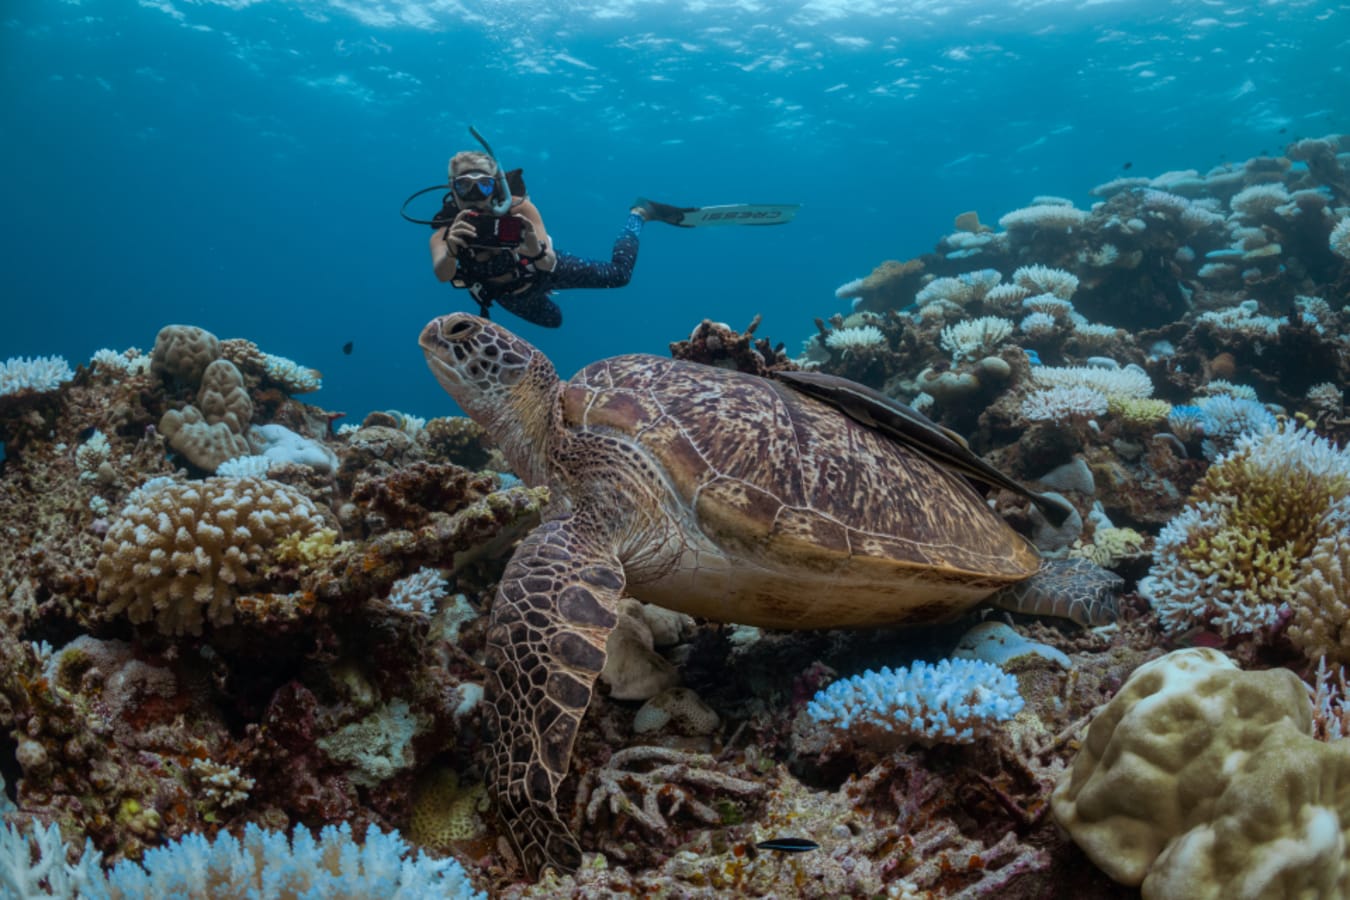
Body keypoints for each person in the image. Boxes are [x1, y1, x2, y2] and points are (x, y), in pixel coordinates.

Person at [428, 149, 691, 328]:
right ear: (452, 187)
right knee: (554, 321)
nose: (475, 195)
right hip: (508, 295)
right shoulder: (446, 228)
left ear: (495, 186)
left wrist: (536, 251)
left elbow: (548, 263)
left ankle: (640, 213)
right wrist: (451, 249)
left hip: (542, 273)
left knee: (620, 275)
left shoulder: (519, 210)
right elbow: (442, 274)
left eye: (483, 185)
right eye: (465, 186)